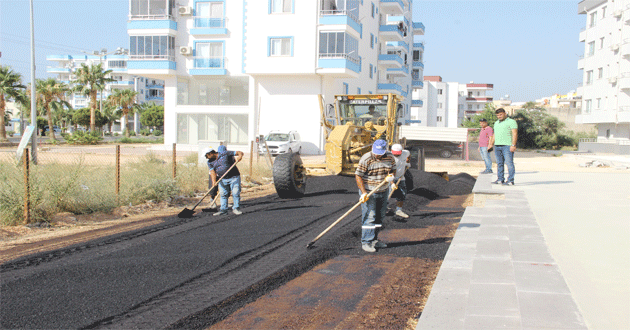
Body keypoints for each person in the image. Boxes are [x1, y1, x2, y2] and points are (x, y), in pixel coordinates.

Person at [355, 139, 396, 253]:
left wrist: (391, 179)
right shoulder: (366, 158)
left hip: (383, 191)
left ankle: (374, 240)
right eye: (376, 152)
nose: (377, 155)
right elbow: (358, 176)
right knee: (370, 216)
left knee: (380, 217)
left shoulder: (390, 157)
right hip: (369, 192)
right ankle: (366, 242)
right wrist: (363, 193)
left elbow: (393, 170)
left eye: (380, 153)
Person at [206, 145, 244, 215]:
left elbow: (239, 152)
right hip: (222, 179)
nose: (206, 158)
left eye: (206, 156)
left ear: (211, 153)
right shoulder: (209, 162)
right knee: (223, 194)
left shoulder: (225, 153)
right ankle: (223, 210)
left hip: (234, 177)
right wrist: (214, 182)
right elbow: (212, 172)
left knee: (235, 193)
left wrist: (240, 156)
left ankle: (236, 208)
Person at [488, 108, 518, 185]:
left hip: (507, 146)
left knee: (509, 163)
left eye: (500, 114)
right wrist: (491, 144)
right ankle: (500, 179)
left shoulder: (511, 122)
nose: (499, 116)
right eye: (497, 115)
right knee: (499, 163)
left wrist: (513, 145)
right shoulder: (496, 123)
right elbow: (494, 134)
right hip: (497, 146)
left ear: (505, 113)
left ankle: (510, 180)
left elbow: (514, 134)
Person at [389, 144, 410, 219]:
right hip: (389, 178)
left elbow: (408, 155)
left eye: (398, 153)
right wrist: (392, 183)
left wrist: (407, 162)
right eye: (395, 153)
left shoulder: (405, 153)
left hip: (401, 177)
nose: (396, 155)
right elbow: (387, 172)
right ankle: (383, 208)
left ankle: (399, 210)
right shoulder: (388, 157)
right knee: (387, 194)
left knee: (402, 193)